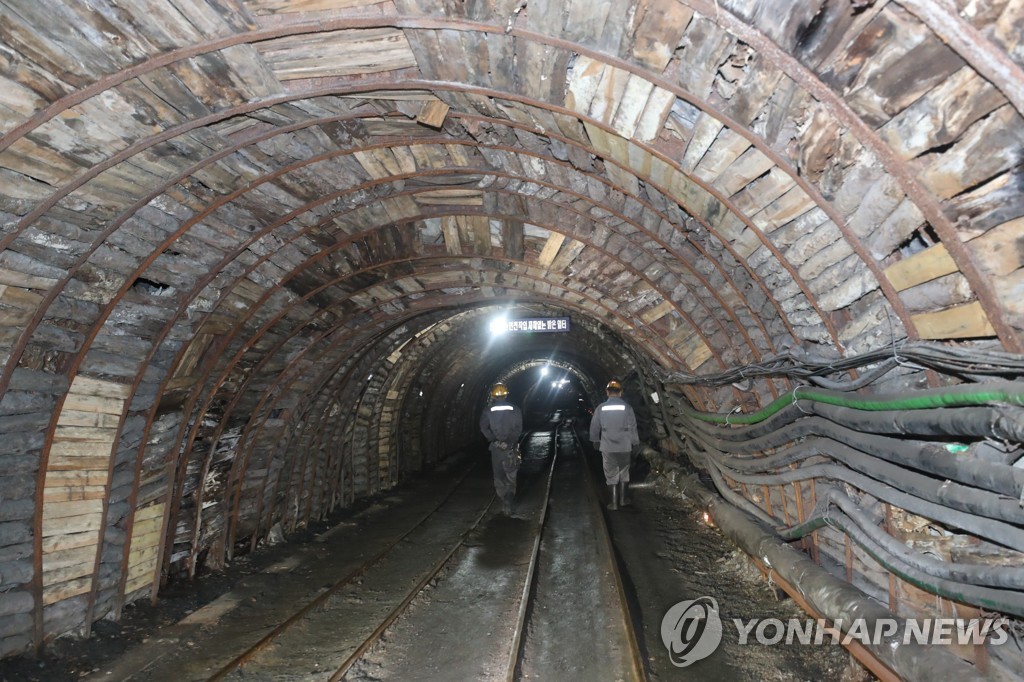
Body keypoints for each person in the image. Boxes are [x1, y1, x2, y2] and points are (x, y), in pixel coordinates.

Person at [590, 379, 639, 510]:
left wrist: (595, 440)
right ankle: (623, 500)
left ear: (607, 392)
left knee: (610, 473)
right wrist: (635, 442)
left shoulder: (600, 408)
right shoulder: (627, 408)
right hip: (624, 446)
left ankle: (613, 503)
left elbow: (595, 426)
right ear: (621, 392)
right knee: (624, 472)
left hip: (608, 446)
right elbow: (632, 427)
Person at [480, 382, 524, 515]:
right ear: (506, 395)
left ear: (493, 396)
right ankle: (509, 499)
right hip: (510, 448)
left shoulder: (488, 410)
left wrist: (495, 440)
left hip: (496, 449)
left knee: (499, 476)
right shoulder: (515, 409)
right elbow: (518, 428)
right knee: (511, 474)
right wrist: (509, 442)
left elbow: (483, 428)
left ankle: (504, 498)